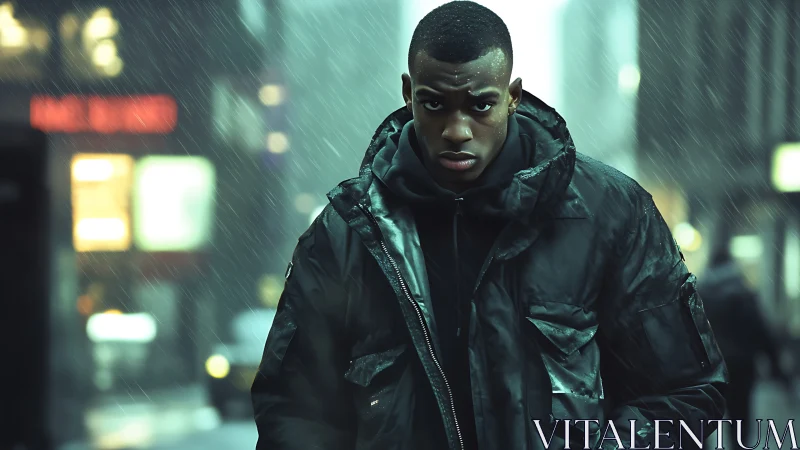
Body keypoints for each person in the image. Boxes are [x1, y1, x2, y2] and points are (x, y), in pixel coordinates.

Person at [251, 2, 728, 449]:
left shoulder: (610, 213)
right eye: (435, 104)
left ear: (512, 97)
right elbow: (294, 411)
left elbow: (685, 390)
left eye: (479, 105)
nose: (456, 130)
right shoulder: (348, 234)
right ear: (407, 93)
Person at [699, 246, 793, 445]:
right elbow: (760, 331)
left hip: (707, 367)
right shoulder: (742, 294)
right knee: (739, 418)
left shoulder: (700, 294)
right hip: (740, 367)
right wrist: (775, 365)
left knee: (702, 417)